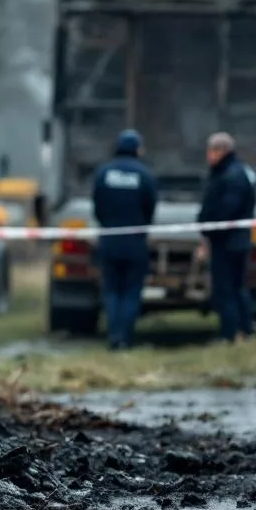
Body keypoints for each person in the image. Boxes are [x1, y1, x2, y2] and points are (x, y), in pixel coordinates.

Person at [91, 129, 158, 351]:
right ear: (137, 149)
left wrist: (107, 224)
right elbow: (150, 207)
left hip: (109, 240)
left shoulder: (104, 173)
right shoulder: (145, 175)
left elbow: (97, 206)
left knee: (111, 290)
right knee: (131, 291)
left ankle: (113, 335)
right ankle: (125, 338)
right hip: (135, 242)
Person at [197, 131, 256, 342]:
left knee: (227, 289)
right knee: (237, 288)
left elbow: (226, 211)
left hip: (229, 242)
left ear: (221, 151)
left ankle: (231, 334)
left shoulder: (231, 175)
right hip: (234, 240)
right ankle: (243, 330)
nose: (209, 156)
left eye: (211, 151)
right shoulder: (235, 172)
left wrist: (210, 230)